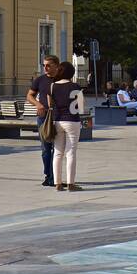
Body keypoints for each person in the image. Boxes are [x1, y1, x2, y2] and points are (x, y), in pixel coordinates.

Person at [27, 55, 61, 187]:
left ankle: (54, 176)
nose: (45, 68)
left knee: (57, 149)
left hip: (59, 117)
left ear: (56, 66)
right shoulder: (40, 80)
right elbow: (29, 95)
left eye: (48, 65)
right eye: (44, 65)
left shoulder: (61, 80)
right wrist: (37, 104)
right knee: (46, 148)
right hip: (44, 117)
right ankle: (48, 175)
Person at [50, 62, 83, 192]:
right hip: (72, 121)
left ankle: (57, 183)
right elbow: (80, 106)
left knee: (58, 153)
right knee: (71, 152)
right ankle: (71, 183)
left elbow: (50, 103)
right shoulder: (75, 86)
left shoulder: (52, 86)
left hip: (57, 120)